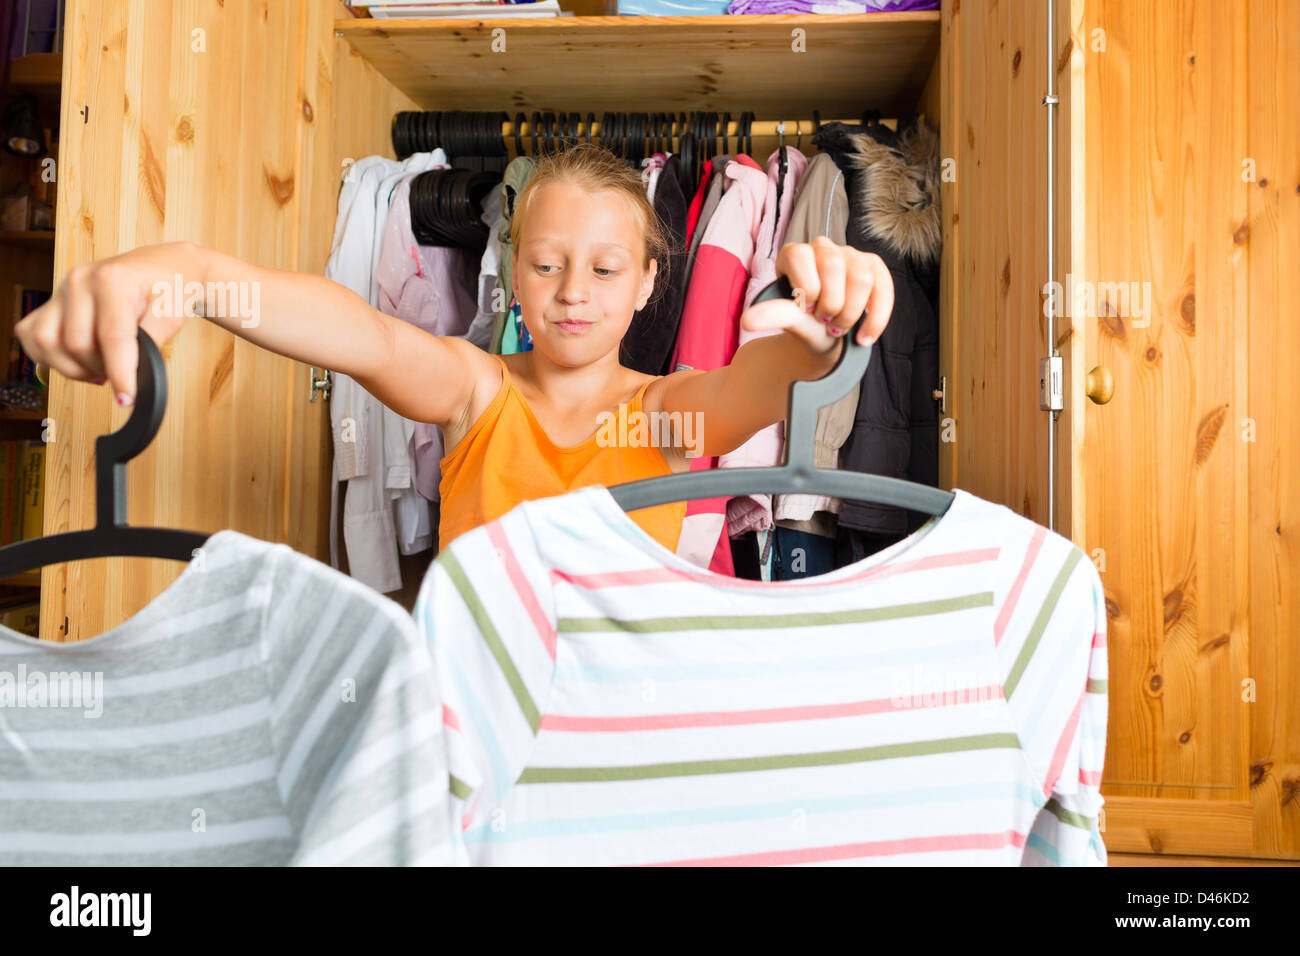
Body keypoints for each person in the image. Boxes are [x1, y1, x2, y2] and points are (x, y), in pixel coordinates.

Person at [16, 143, 893, 556]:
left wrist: (825, 328)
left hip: (616, 744)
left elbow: (761, 380)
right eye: (546, 265)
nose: (573, 293)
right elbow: (363, 334)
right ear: (512, 268)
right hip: (471, 737)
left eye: (603, 268)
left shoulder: (660, 416)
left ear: (650, 284)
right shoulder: (479, 390)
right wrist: (196, 273)